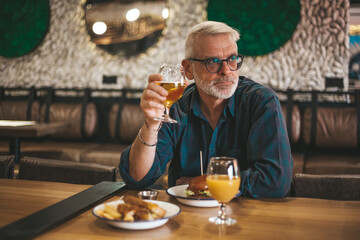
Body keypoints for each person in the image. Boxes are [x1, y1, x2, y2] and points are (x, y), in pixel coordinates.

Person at [119, 21, 293, 198]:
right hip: (185, 217)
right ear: (188, 69)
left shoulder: (261, 102)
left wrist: (199, 183)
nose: (226, 71)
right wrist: (150, 124)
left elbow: (276, 181)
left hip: (246, 216)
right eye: (213, 62)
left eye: (232, 59)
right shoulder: (177, 106)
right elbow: (137, 179)